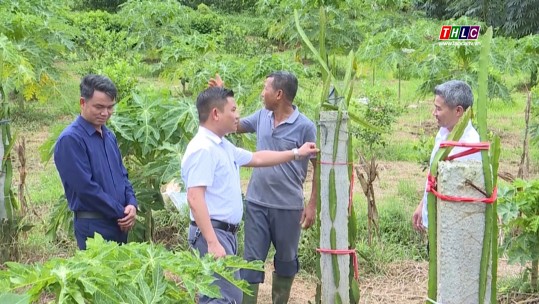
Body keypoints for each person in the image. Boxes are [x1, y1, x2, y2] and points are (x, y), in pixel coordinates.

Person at [181, 86, 318, 304]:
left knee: (221, 295)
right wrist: (212, 242)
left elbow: (258, 158)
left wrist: (296, 153)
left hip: (224, 234)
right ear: (216, 114)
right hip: (214, 233)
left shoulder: (222, 145)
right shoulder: (203, 149)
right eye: (233, 109)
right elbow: (194, 198)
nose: (238, 115)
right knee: (224, 297)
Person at [54, 74, 137, 250]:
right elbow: (86, 189)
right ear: (82, 103)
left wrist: (131, 204)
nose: (105, 113)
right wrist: (121, 212)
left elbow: (122, 175)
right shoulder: (71, 140)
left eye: (110, 107)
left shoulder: (109, 136)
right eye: (99, 107)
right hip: (94, 225)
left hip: (119, 222)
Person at [412, 80, 482, 233]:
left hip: (450, 229)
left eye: (438, 108)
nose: (434, 113)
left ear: (458, 111)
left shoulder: (469, 147)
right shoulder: (444, 132)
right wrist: (423, 204)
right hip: (437, 221)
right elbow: (435, 178)